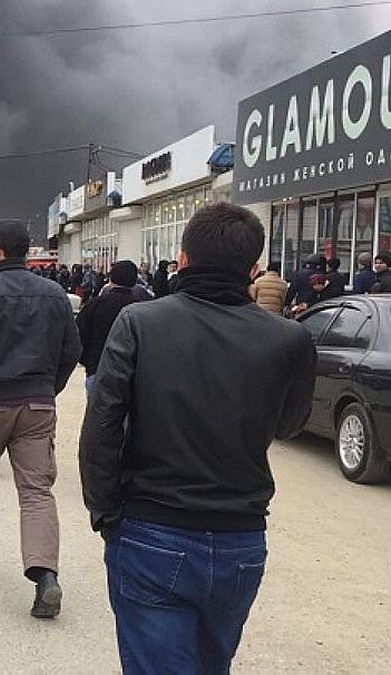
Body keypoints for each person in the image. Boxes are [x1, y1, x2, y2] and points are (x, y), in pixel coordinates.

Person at [80, 203, 315, 674]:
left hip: (151, 528)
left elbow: (103, 423)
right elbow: (288, 425)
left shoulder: (141, 323)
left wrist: (105, 511)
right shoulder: (290, 339)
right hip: (241, 537)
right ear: (253, 270)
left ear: (182, 259)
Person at [0, 219, 81, 619]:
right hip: (36, 404)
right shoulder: (54, 293)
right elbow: (72, 349)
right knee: (37, 491)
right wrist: (48, 388)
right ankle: (45, 577)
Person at [77, 261, 146, 392]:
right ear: (135, 280)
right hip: (133, 373)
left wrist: (87, 361)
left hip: (97, 369)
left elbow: (79, 335)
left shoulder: (94, 305)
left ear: (110, 279)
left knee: (98, 411)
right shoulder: (142, 307)